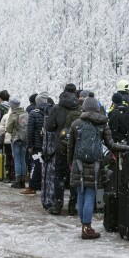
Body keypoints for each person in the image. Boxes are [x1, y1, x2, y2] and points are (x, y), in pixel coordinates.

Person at [68, 97, 129, 239]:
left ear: (84, 108)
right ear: (97, 108)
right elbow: (111, 145)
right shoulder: (102, 124)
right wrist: (128, 148)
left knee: (81, 193)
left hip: (79, 162)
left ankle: (84, 226)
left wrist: (70, 162)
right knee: (90, 194)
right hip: (95, 163)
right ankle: (87, 228)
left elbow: (70, 147)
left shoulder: (76, 124)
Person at [45, 83, 81, 215]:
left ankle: (57, 205)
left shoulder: (56, 108)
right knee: (74, 176)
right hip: (75, 148)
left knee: (58, 176)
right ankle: (73, 206)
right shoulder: (79, 108)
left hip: (61, 146)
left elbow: (49, 127)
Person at [21, 92, 53, 197]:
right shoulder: (51, 111)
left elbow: (30, 131)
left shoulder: (34, 113)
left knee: (35, 165)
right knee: (46, 165)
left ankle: (32, 186)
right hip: (49, 145)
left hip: (37, 145)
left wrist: (30, 145)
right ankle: (44, 186)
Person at [6, 97, 28, 188]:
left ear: (12, 105)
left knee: (17, 160)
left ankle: (18, 180)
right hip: (24, 139)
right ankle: (23, 180)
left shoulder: (13, 114)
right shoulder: (26, 113)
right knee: (23, 160)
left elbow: (9, 128)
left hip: (16, 139)